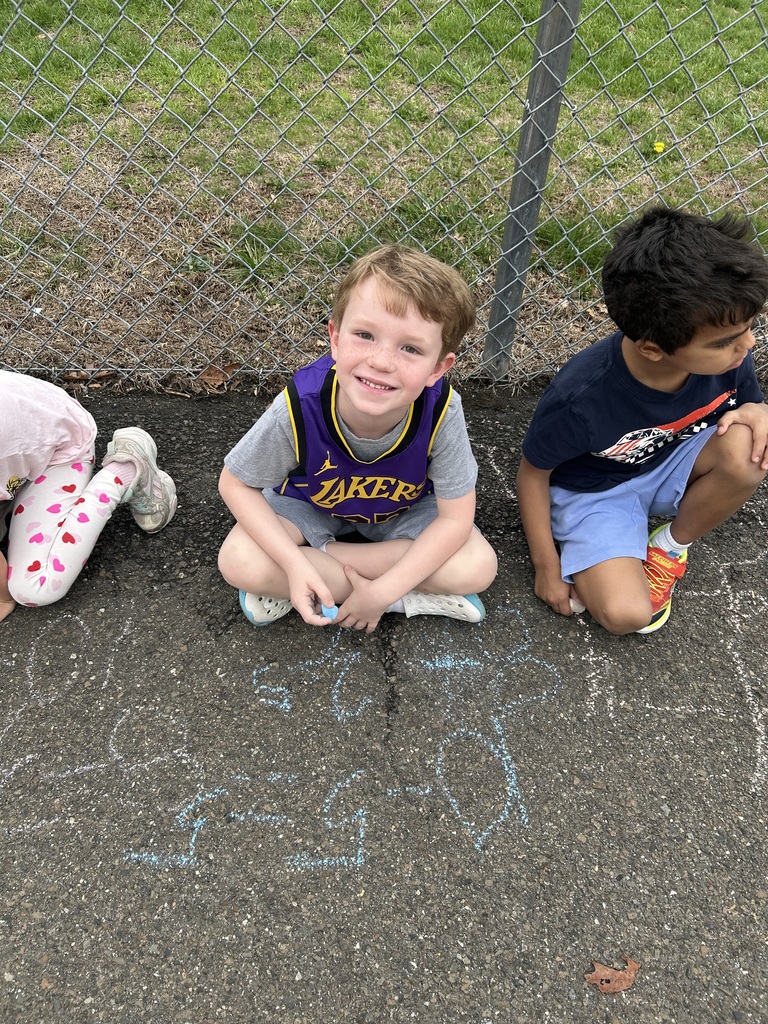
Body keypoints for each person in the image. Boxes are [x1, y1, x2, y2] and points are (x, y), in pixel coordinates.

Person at [218, 244, 498, 632]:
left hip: (402, 511)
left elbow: (455, 520)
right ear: (335, 338)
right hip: (310, 506)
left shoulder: (441, 410)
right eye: (365, 335)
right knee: (239, 559)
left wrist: (379, 592)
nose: (381, 361)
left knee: (479, 566)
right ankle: (404, 595)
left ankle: (336, 586)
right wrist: (293, 563)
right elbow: (235, 483)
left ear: (438, 368)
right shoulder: (301, 404)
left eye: (410, 348)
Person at [516, 205, 768, 635]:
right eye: (727, 340)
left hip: (669, 463)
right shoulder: (581, 397)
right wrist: (546, 566)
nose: (748, 344)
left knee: (752, 449)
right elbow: (532, 474)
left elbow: (751, 407)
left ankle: (669, 545)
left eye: (750, 326)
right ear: (652, 349)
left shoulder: (729, 355)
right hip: (596, 493)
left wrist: (759, 412)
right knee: (626, 617)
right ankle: (616, 542)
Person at [1, 370, 177, 623]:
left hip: (60, 449)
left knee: (34, 586)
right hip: (37, 419)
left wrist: (2, 598)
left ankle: (125, 471)